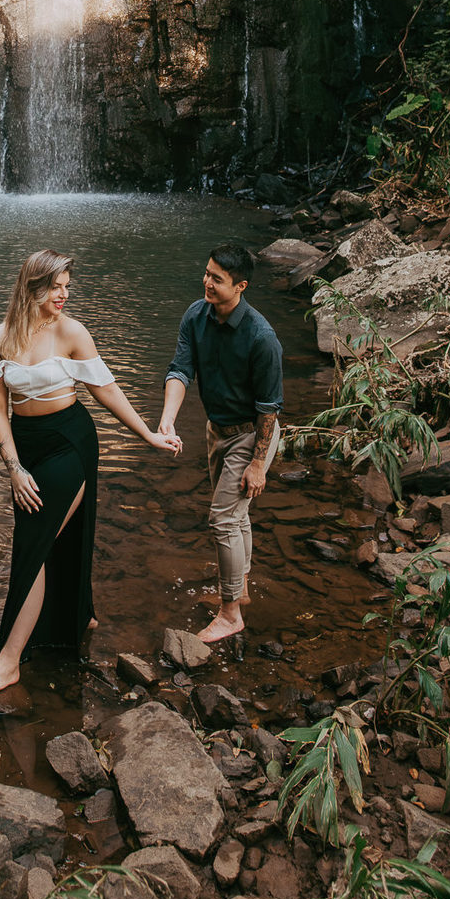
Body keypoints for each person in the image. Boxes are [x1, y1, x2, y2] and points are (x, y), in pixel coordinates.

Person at [0, 248, 180, 697]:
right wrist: (14, 467)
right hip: (25, 447)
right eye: (56, 287)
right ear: (33, 287)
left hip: (69, 443)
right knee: (49, 539)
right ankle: (76, 617)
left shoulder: (72, 333)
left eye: (67, 286)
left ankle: (8, 663)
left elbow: (106, 389)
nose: (65, 295)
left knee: (34, 541)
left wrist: (148, 435)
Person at [157, 242, 283, 644]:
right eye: (207, 273)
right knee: (237, 515)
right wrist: (167, 420)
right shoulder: (195, 316)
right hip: (218, 430)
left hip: (252, 432)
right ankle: (240, 588)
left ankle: (230, 614)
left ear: (241, 286)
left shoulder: (263, 338)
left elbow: (268, 409)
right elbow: (180, 371)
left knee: (223, 519)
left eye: (217, 279)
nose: (207, 283)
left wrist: (258, 464)